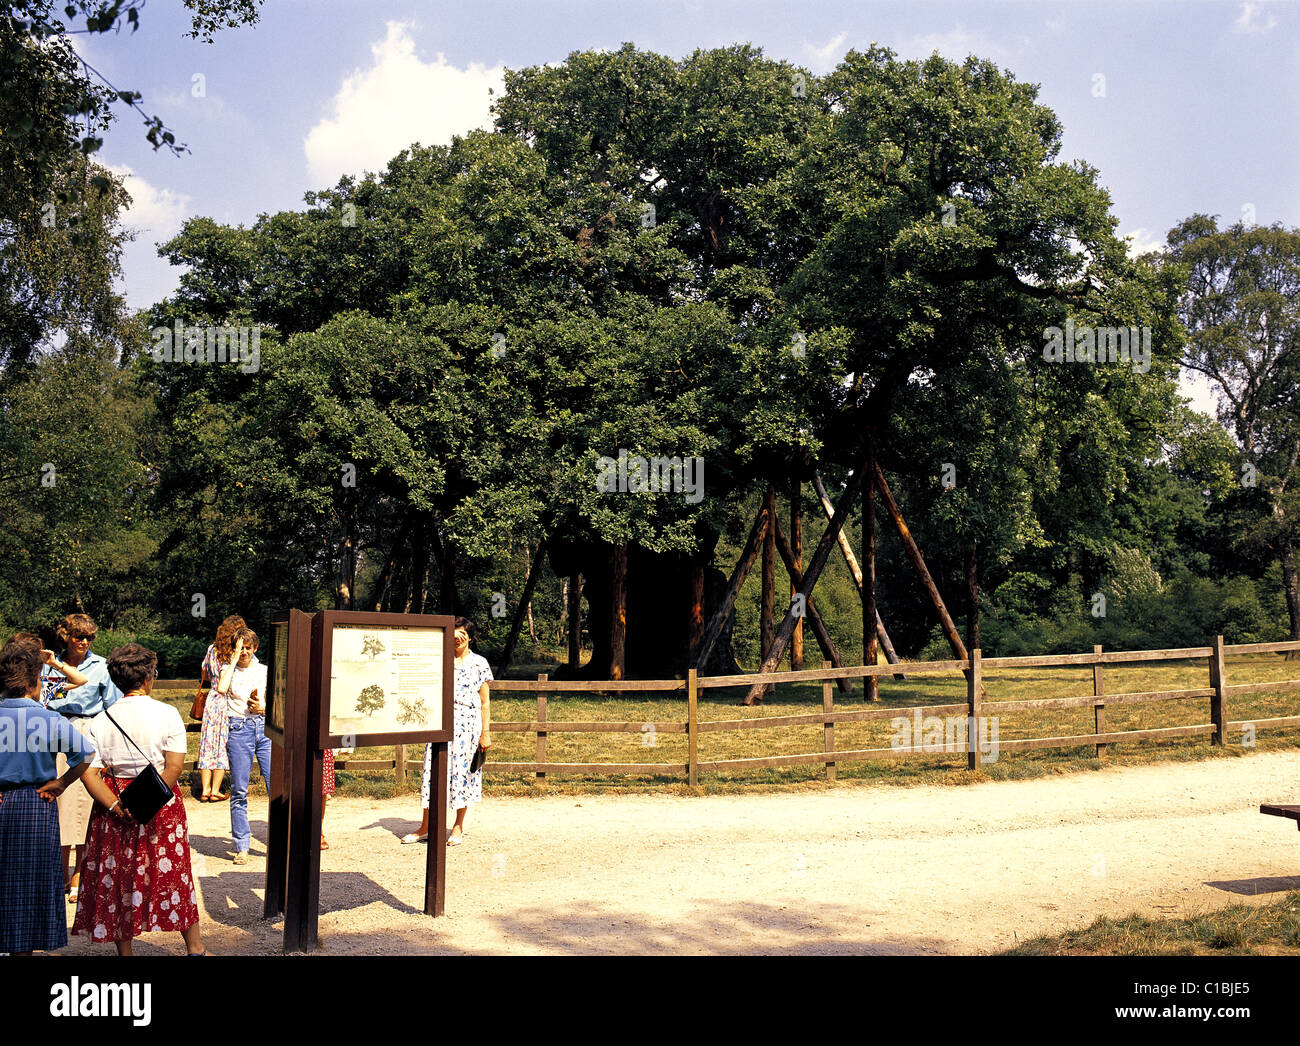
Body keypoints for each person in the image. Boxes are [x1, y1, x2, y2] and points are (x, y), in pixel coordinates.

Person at [72, 643, 204, 955]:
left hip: (113, 800)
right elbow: (173, 767)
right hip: (159, 801)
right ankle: (195, 948)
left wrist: (118, 806)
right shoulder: (167, 714)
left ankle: (126, 954)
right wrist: (146, 802)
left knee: (118, 875)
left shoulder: (101, 720)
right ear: (148, 677)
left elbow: (88, 773)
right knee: (174, 872)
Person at [0, 635, 95, 955]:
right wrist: (63, 783)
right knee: (30, 884)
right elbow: (85, 756)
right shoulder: (47, 718)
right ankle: (24, 948)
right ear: (32, 682)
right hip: (36, 803)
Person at [41, 613, 121, 904]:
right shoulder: (48, 664)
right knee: (59, 804)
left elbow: (113, 707)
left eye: (89, 638)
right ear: (66, 636)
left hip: (89, 730)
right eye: (78, 637)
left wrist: (111, 747)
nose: (84, 642)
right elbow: (42, 699)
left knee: (86, 807)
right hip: (54, 731)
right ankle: (60, 874)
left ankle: (79, 875)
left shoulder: (101, 667)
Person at [402, 617, 492, 846]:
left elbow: (485, 702)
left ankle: (458, 826)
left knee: (464, 775)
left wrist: (485, 733)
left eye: (462, 633)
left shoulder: (480, 663)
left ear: (470, 637)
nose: (457, 637)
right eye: (453, 632)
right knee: (431, 773)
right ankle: (426, 826)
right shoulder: (440, 659)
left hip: (468, 726)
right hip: (440, 722)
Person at [217, 627, 269, 865]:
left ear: (255, 648)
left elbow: (279, 700)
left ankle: (279, 844)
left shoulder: (265, 671)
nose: (245, 652)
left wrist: (263, 708)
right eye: (240, 647)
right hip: (239, 729)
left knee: (276, 788)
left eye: (248, 647)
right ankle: (242, 846)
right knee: (239, 790)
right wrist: (234, 658)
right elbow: (220, 689)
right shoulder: (228, 671)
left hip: (265, 728)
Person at [196, 615, 244, 802]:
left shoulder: (211, 649)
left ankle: (205, 789)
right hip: (227, 700)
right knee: (222, 744)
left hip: (212, 700)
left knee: (207, 743)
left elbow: (204, 673)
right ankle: (216, 790)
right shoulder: (235, 654)